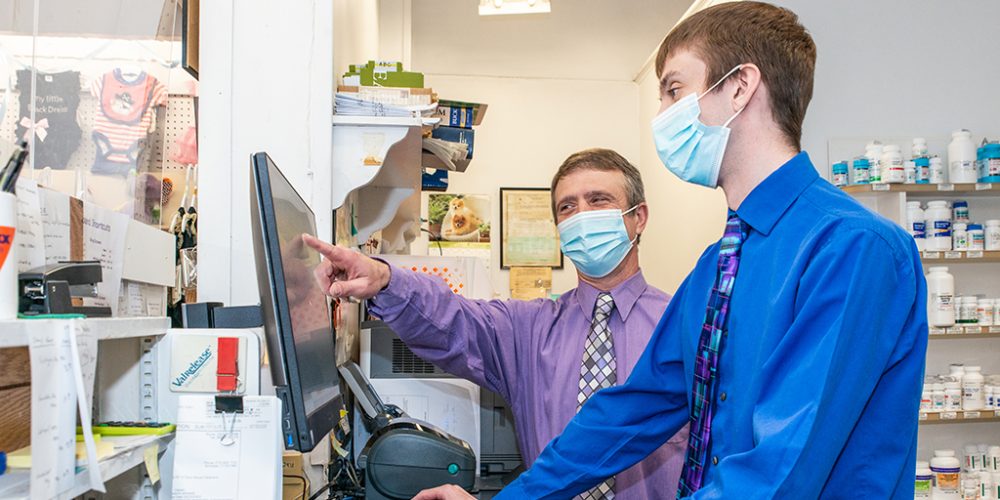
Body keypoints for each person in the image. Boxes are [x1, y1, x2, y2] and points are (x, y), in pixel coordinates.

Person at [416, 2, 928, 499]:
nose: (662, 115)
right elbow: (632, 411)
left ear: (739, 88)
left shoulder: (853, 249)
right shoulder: (720, 265)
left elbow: (778, 472)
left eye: (673, 90)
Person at [303, 148, 689, 499]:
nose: (582, 216)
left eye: (599, 200)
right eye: (567, 208)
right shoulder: (530, 328)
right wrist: (385, 279)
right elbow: (452, 319)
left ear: (638, 217)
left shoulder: (686, 328)